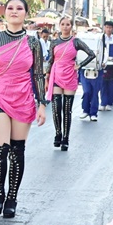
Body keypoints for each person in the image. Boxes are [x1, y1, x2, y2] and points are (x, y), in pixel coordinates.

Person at [0, 0, 47, 219]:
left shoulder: (33, 42)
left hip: (23, 98)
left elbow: (38, 75)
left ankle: (12, 198)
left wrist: (42, 103)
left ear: (26, 13)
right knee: (0, 150)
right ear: (4, 12)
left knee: (17, 150)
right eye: (10, 8)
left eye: (19, 8)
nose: (14, 11)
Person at [46, 15, 95, 151]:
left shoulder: (76, 42)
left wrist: (80, 65)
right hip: (56, 75)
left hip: (70, 76)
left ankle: (65, 138)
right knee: (56, 108)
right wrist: (47, 76)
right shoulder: (54, 42)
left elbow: (91, 54)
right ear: (59, 26)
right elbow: (50, 60)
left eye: (68, 24)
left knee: (67, 109)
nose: (65, 27)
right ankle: (58, 133)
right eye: (63, 24)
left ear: (71, 26)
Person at [97, 21, 113, 111]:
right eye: (107, 27)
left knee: (111, 84)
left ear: (112, 29)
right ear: (104, 28)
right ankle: (103, 103)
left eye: (110, 28)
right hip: (103, 64)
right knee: (103, 83)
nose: (108, 29)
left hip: (112, 64)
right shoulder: (100, 38)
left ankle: (109, 103)